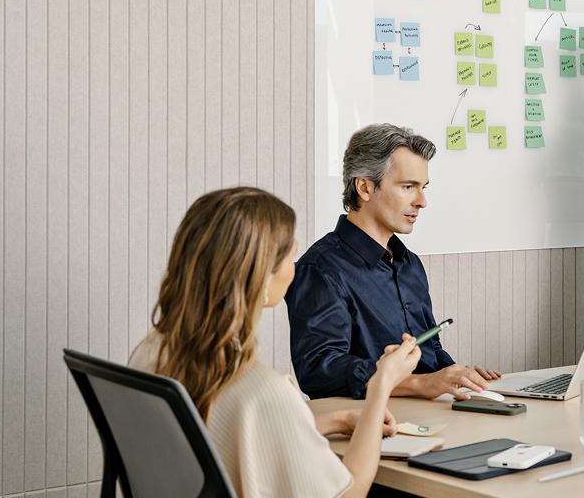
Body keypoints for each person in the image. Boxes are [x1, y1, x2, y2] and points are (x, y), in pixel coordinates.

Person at [129, 187, 422, 497]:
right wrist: (380, 385)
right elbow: (351, 493)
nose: (295, 269)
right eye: (290, 257)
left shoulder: (153, 352)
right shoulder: (262, 392)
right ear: (260, 275)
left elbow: (236, 430)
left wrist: (336, 420)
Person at [286, 124, 500, 400]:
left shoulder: (410, 264)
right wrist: (420, 384)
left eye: (423, 187)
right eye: (408, 187)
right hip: (370, 420)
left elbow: (429, 348)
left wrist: (456, 374)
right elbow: (319, 371)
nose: (422, 201)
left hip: (430, 413)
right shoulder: (321, 269)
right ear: (365, 187)